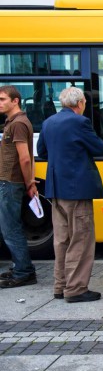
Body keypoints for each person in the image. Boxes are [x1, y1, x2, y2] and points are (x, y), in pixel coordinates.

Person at [37, 86, 103, 303]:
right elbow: (99, 147)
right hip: (77, 190)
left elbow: (42, 152)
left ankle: (60, 285)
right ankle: (76, 289)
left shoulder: (49, 122)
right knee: (81, 239)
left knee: (61, 240)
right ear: (80, 103)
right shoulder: (79, 122)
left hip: (56, 190)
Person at [0, 86, 38, 289]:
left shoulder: (19, 124)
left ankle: (24, 271)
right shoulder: (13, 122)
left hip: (10, 183)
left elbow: (25, 158)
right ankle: (21, 268)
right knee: (10, 227)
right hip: (10, 182)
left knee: (10, 228)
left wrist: (29, 183)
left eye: (2, 99)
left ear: (15, 101)